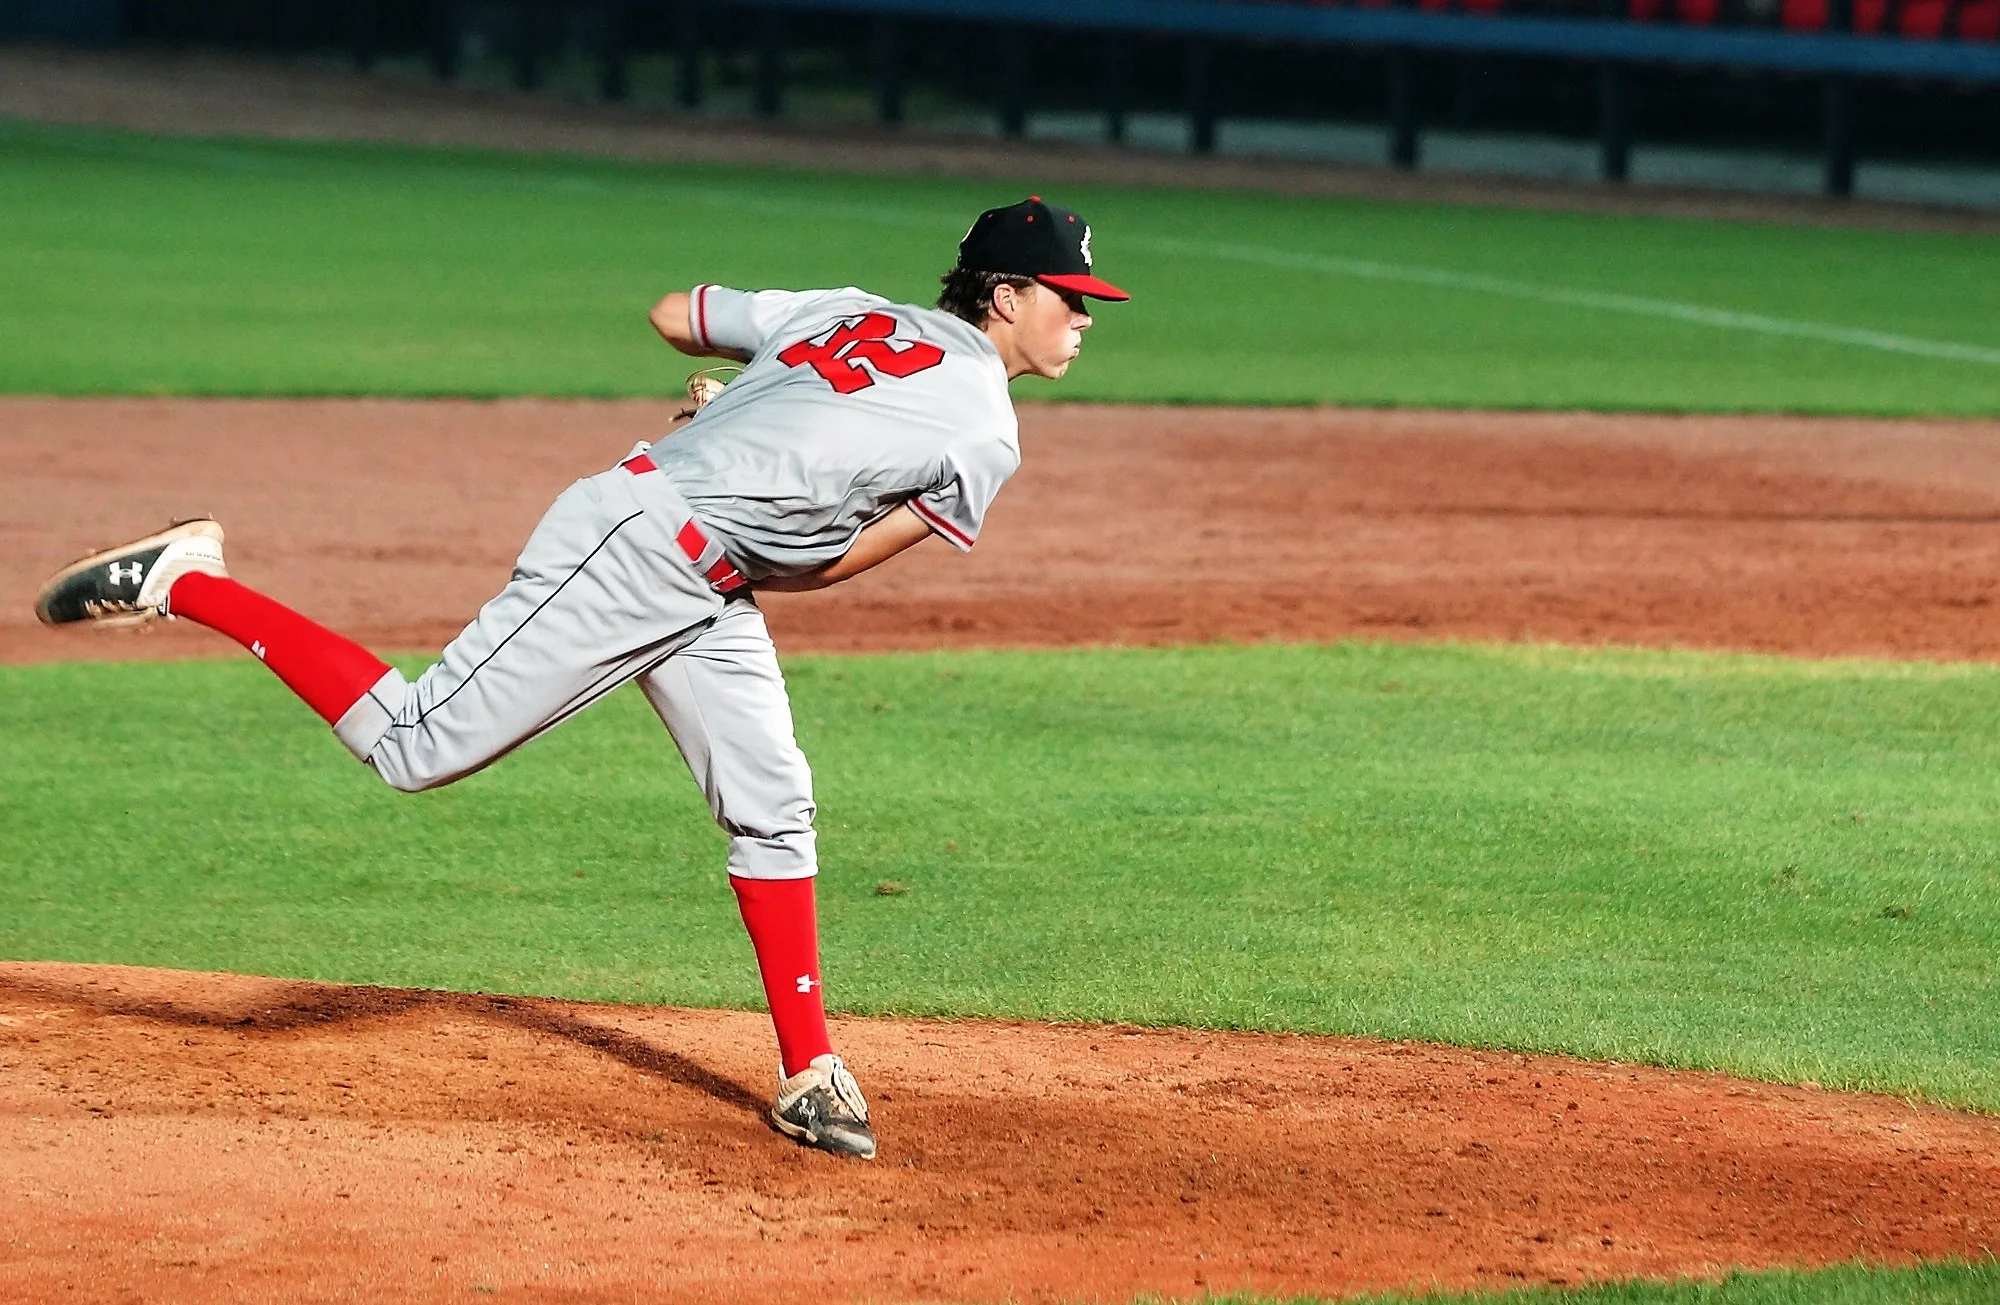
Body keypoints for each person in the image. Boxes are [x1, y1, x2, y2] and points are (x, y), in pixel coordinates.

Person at [33, 196, 1128, 1161]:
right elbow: (829, 564)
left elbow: (673, 314)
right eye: (1068, 298)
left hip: (693, 565)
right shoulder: (986, 426)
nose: (1082, 319)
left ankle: (811, 1074)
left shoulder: (845, 308)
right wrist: (755, 464)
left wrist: (748, 413)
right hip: (645, 550)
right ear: (1003, 294)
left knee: (773, 804)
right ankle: (187, 582)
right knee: (415, 748)